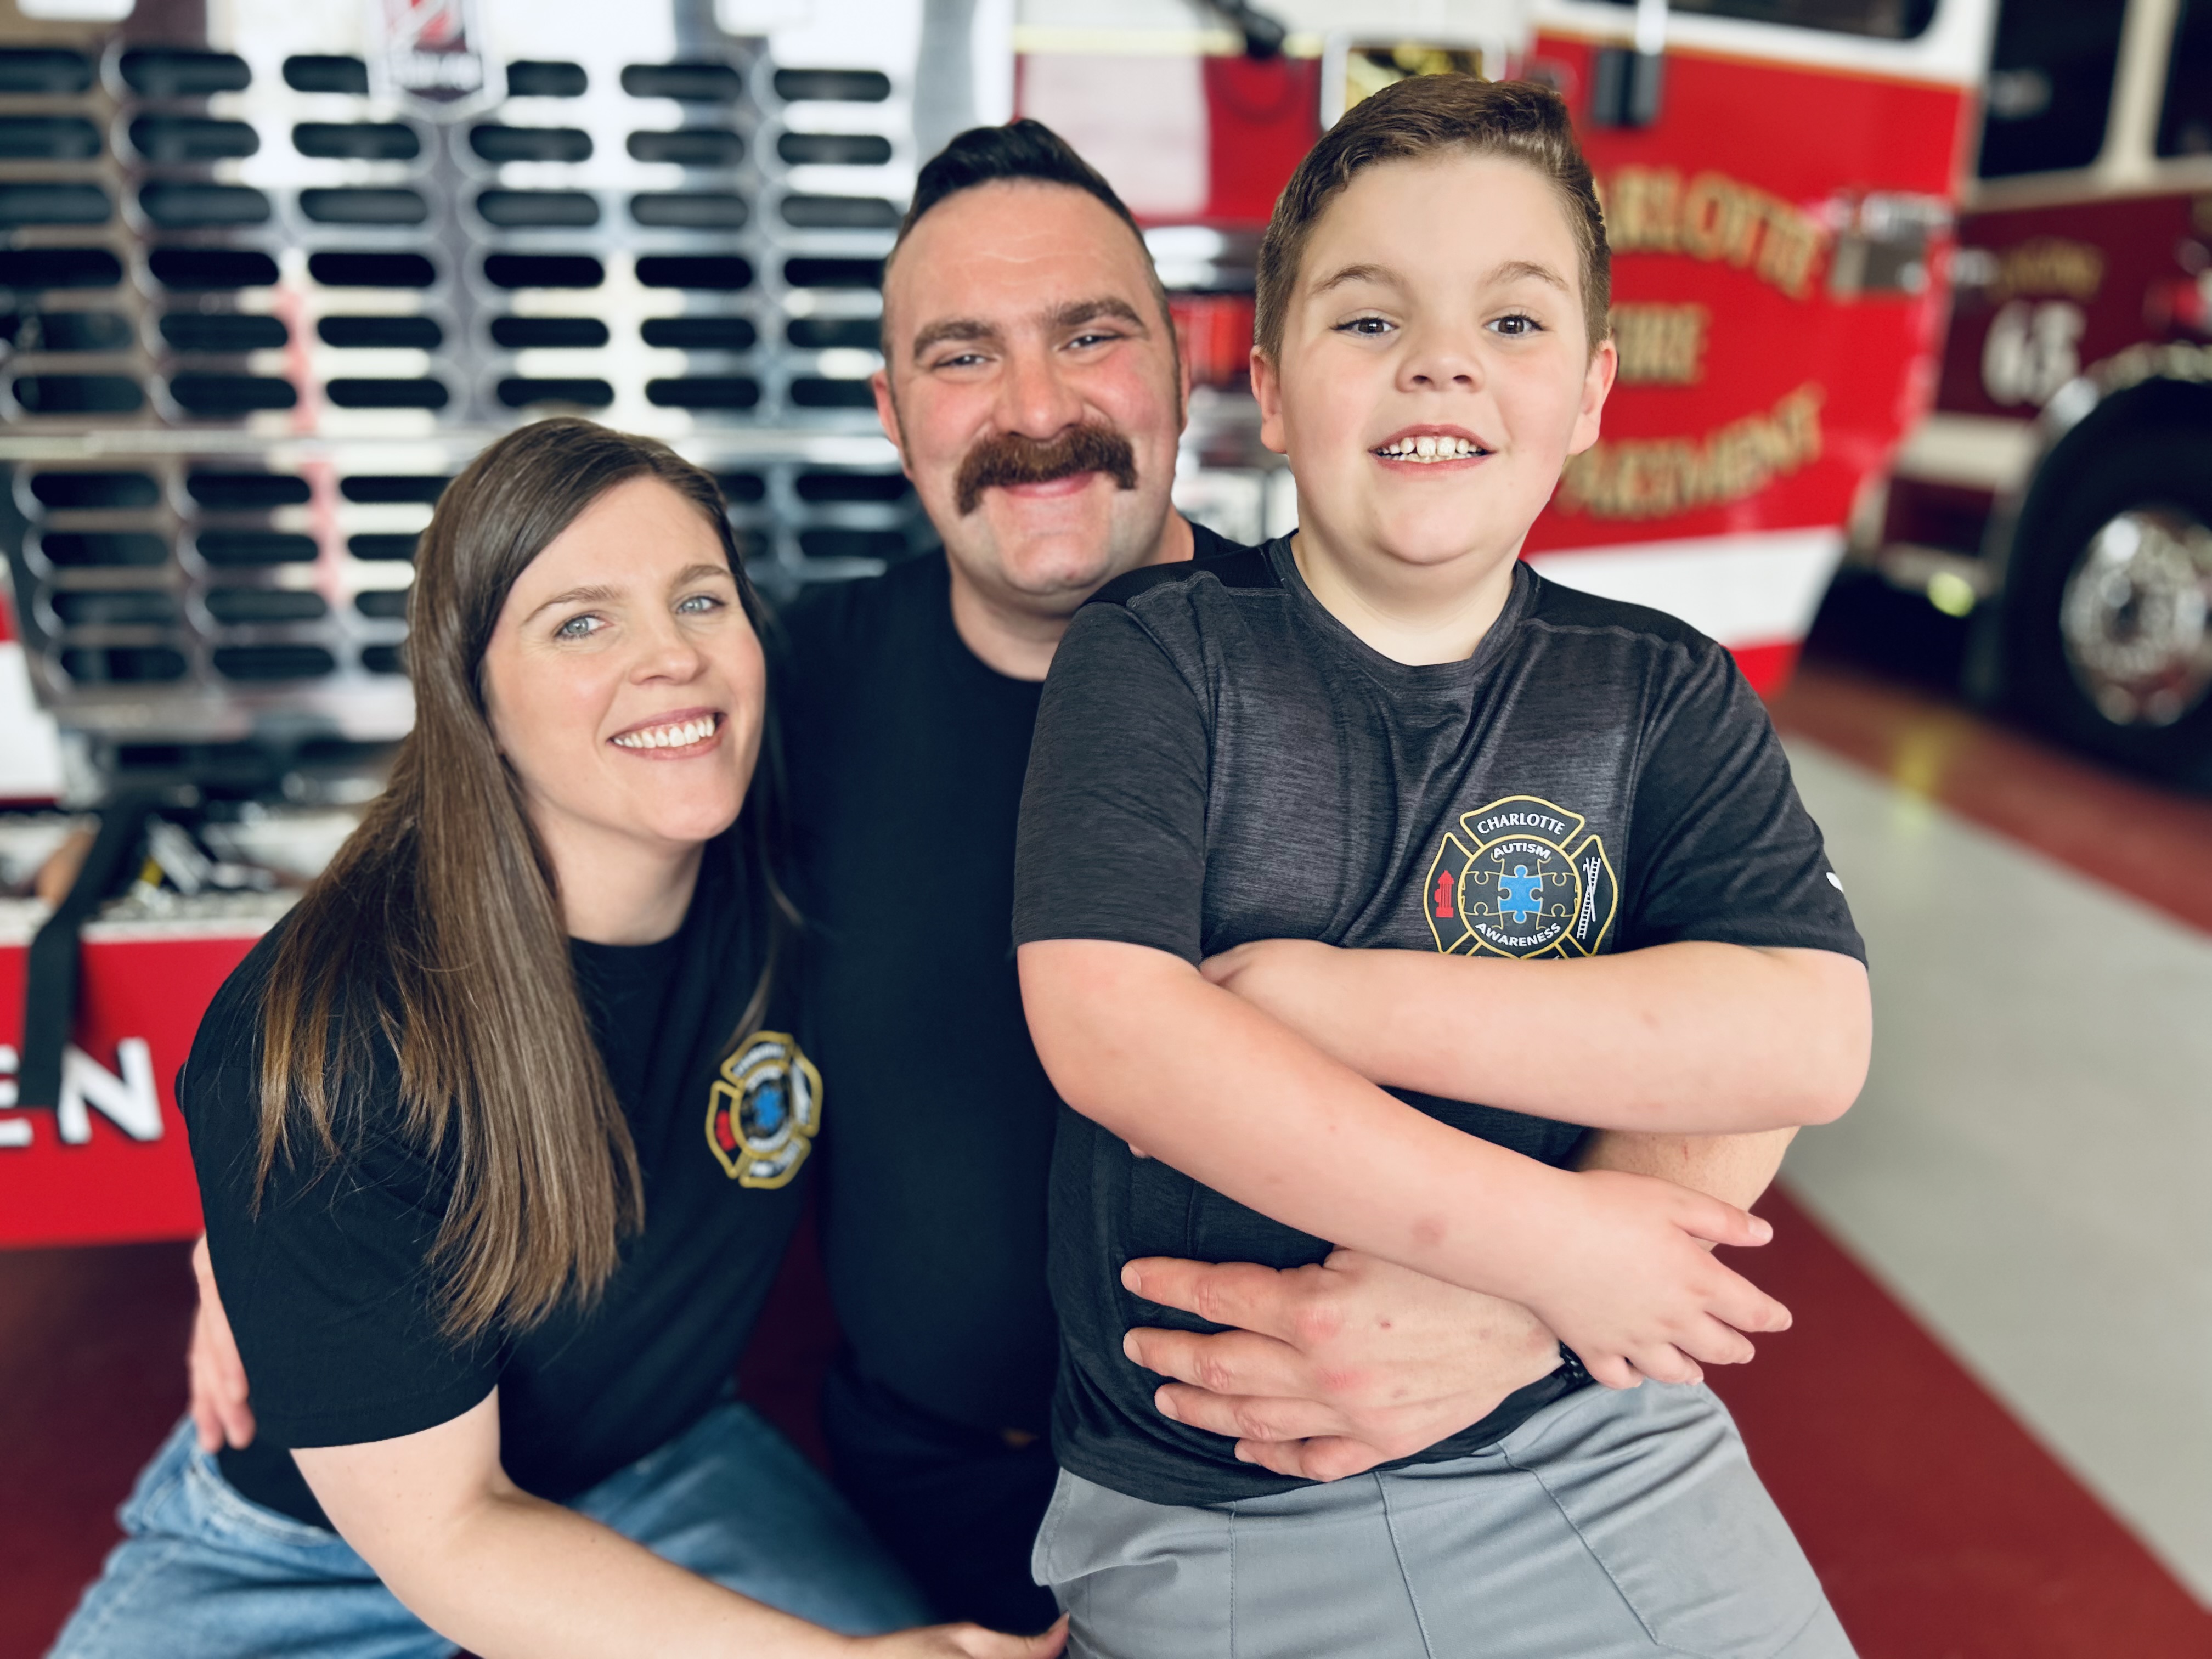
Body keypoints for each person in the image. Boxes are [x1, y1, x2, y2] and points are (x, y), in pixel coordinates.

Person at [182, 119, 1820, 1636]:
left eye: (1090, 334)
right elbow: (499, 845)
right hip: (927, 1492)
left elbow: (1753, 1005)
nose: (1035, 407)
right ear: (895, 417)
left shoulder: (1372, 652)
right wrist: (269, 1203)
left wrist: (1527, 1310)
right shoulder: (777, 691)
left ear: (1191, 374)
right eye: (962, 355)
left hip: (1350, 1462)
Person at [1012, 76, 1871, 1657]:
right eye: (1367, 318)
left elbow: (1802, 1034)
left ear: (1597, 392)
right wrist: (1555, 1245)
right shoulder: (1156, 655)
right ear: (1264, 388)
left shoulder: (1660, 688)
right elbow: (1112, 1028)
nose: (1443, 360)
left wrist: (1329, 1011)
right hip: (1230, 1486)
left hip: (1589, 1429)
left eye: (1517, 322)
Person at [52, 421, 1059, 1659]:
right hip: (320, 1557)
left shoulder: (792, 845)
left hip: (656, 1474)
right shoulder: (328, 1053)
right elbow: (446, 1534)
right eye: (582, 623)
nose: (671, 661)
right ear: (472, 691)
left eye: (702, 600)